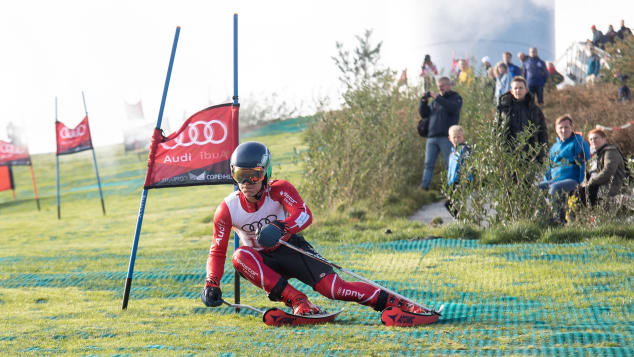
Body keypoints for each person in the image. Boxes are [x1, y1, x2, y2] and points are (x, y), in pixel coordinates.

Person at [200, 141, 424, 315]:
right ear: (232, 174)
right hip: (261, 263)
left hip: (290, 248)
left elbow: (304, 214)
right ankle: (298, 301)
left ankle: (398, 303)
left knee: (335, 289)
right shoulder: (226, 209)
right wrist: (212, 283)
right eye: (240, 175)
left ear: (265, 173)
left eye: (254, 175)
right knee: (239, 256)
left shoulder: (279, 189)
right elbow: (217, 250)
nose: (247, 184)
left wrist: (282, 226)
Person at [539, 115, 590, 223]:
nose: (563, 130)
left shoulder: (577, 142)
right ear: (556, 129)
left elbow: (584, 160)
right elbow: (549, 167)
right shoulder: (554, 147)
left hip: (572, 179)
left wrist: (581, 181)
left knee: (555, 188)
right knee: (538, 188)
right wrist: (545, 180)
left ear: (571, 128)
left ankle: (559, 221)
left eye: (566, 127)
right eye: (560, 128)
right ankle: (542, 219)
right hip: (555, 179)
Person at [418, 77, 463, 190]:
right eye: (438, 86)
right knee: (428, 164)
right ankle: (424, 187)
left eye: (442, 86)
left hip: (447, 138)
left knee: (450, 164)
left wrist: (437, 97)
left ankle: (452, 188)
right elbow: (424, 114)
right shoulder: (435, 102)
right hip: (432, 137)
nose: (440, 88)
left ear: (449, 85)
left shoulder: (455, 98)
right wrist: (423, 102)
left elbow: (452, 108)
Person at [495, 76, 548, 163]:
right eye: (515, 88)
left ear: (526, 90)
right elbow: (496, 130)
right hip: (508, 156)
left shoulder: (535, 110)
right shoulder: (503, 109)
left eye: (520, 88)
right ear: (511, 91)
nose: (518, 91)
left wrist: (542, 154)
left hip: (530, 156)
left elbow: (542, 133)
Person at [578, 129, 629, 207]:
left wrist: (591, 182)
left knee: (585, 192)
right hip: (597, 186)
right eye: (591, 139)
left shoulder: (610, 152)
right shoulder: (596, 155)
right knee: (576, 192)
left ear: (604, 139)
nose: (593, 141)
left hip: (611, 187)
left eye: (596, 138)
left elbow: (608, 171)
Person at [444, 125, 472, 218]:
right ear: (449, 138)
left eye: (459, 137)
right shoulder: (452, 152)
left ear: (463, 137)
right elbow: (450, 169)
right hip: (453, 182)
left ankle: (462, 220)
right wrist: (448, 182)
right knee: (451, 203)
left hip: (462, 180)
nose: (456, 139)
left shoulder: (465, 150)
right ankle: (461, 220)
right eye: (454, 137)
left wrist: (463, 179)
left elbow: (466, 165)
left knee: (450, 203)